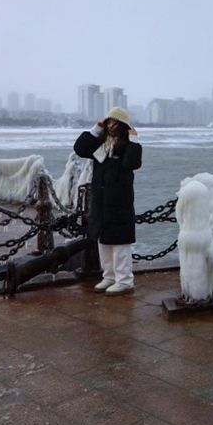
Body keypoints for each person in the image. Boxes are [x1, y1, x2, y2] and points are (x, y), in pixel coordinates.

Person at [73, 107, 142, 296]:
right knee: (103, 241)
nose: (111, 126)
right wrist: (95, 129)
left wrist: (134, 141)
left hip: (120, 201)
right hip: (101, 200)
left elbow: (131, 164)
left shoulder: (129, 146)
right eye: (109, 122)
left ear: (123, 126)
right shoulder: (102, 145)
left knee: (120, 244)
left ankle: (124, 281)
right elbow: (80, 149)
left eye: (115, 123)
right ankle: (109, 277)